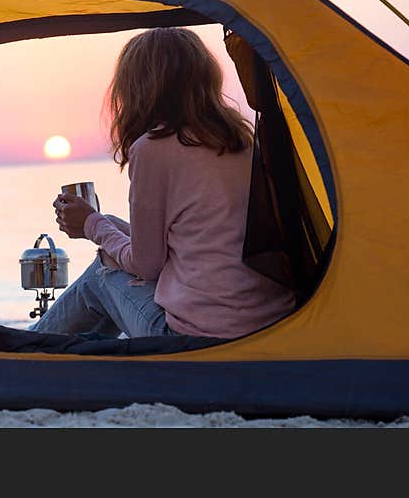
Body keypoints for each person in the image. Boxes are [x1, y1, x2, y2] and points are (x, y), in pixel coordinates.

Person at [30, 27, 295, 340]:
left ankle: (16, 362)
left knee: (101, 274)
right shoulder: (241, 139)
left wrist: (91, 225)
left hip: (199, 335)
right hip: (270, 322)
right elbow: (194, 242)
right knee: (110, 252)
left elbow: (147, 265)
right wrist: (105, 224)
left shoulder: (153, 148)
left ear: (138, 88)